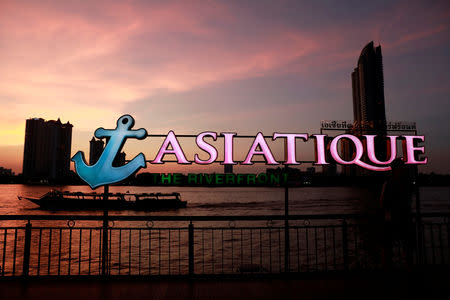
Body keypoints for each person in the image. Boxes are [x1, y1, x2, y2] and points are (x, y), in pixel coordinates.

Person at [379, 158, 415, 269]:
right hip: (399, 219)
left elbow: (382, 203)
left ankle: (390, 271)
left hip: (394, 220)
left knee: (389, 248)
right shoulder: (405, 184)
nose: (403, 170)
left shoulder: (390, 183)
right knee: (401, 248)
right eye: (401, 168)